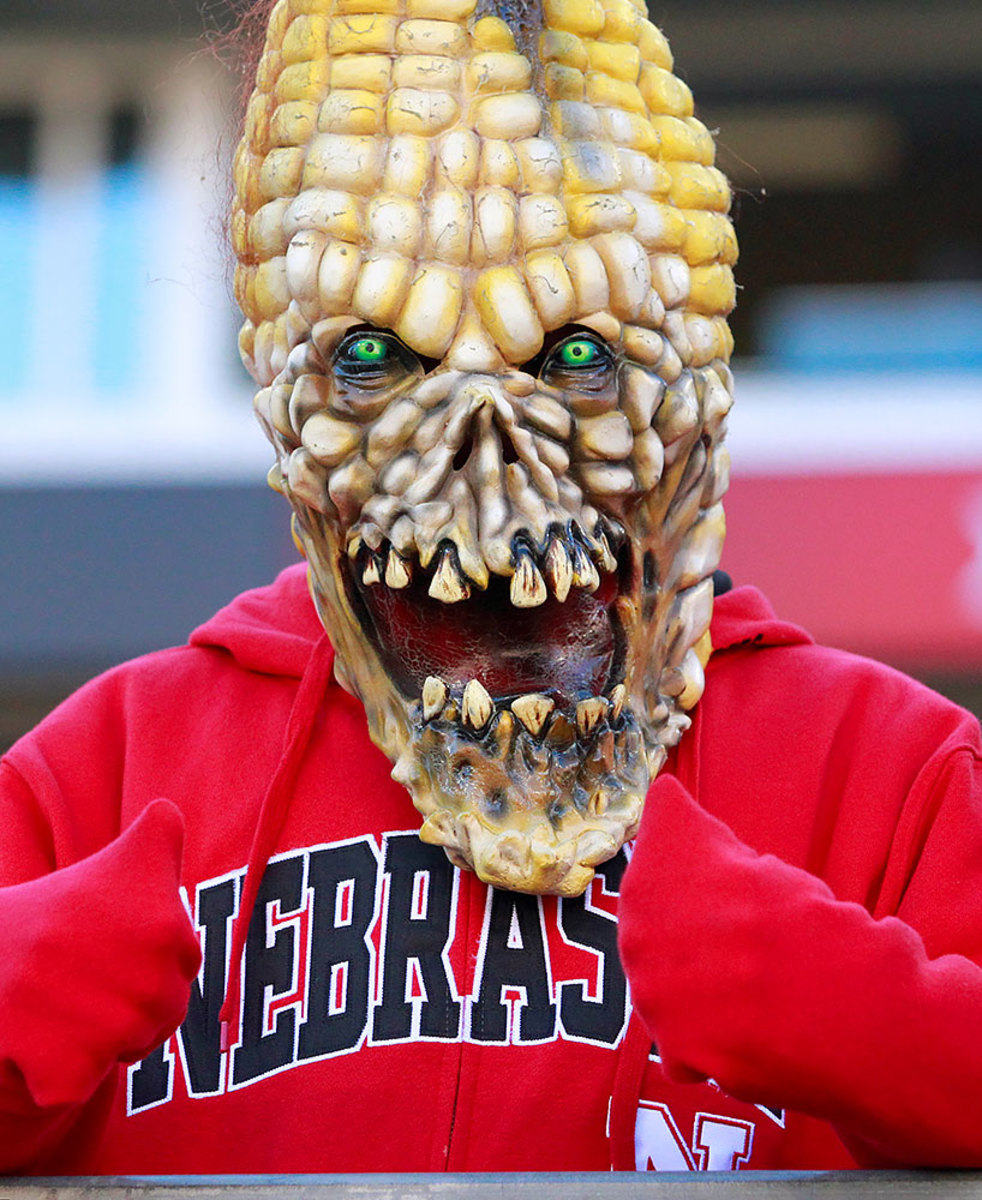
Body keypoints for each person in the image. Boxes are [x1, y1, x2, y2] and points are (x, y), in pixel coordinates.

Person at [3, 0, 982, 1174]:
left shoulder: (886, 773)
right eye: (375, 359)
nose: (482, 456)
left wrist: (839, 1003)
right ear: (282, 398)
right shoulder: (104, 772)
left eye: (573, 357)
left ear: (688, 393)